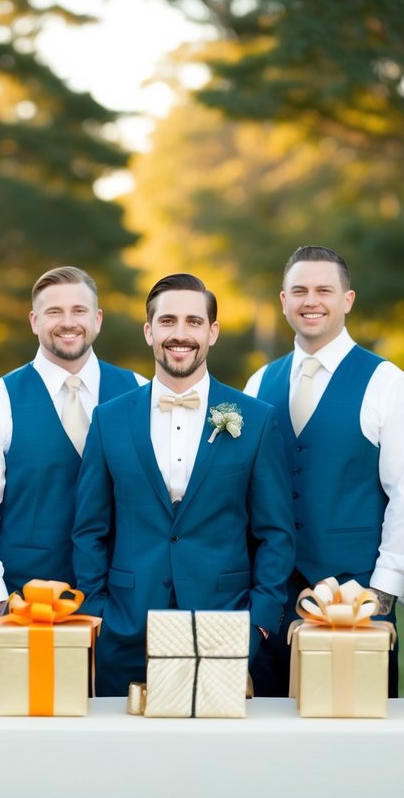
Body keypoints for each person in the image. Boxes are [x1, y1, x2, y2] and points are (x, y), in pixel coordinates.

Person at [72, 273, 295, 696]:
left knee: (215, 757)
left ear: (212, 332)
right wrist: (96, 611)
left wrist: (261, 620)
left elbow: (276, 533)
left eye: (194, 322)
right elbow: (89, 529)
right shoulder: (109, 419)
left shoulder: (256, 419)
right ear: (149, 331)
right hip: (125, 628)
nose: (180, 334)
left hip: (225, 625)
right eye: (168, 321)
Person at [245, 246, 404, 697]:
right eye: (300, 290)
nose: (312, 300)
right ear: (283, 300)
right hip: (272, 602)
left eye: (325, 290)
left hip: (358, 603)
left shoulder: (387, 382)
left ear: (347, 300)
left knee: (356, 742)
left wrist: (382, 592)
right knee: (270, 738)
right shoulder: (257, 384)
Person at [0, 266, 144, 622]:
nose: (67, 322)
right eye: (54, 312)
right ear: (34, 321)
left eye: (79, 311)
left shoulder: (139, 391)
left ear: (98, 319)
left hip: (125, 600)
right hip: (28, 602)